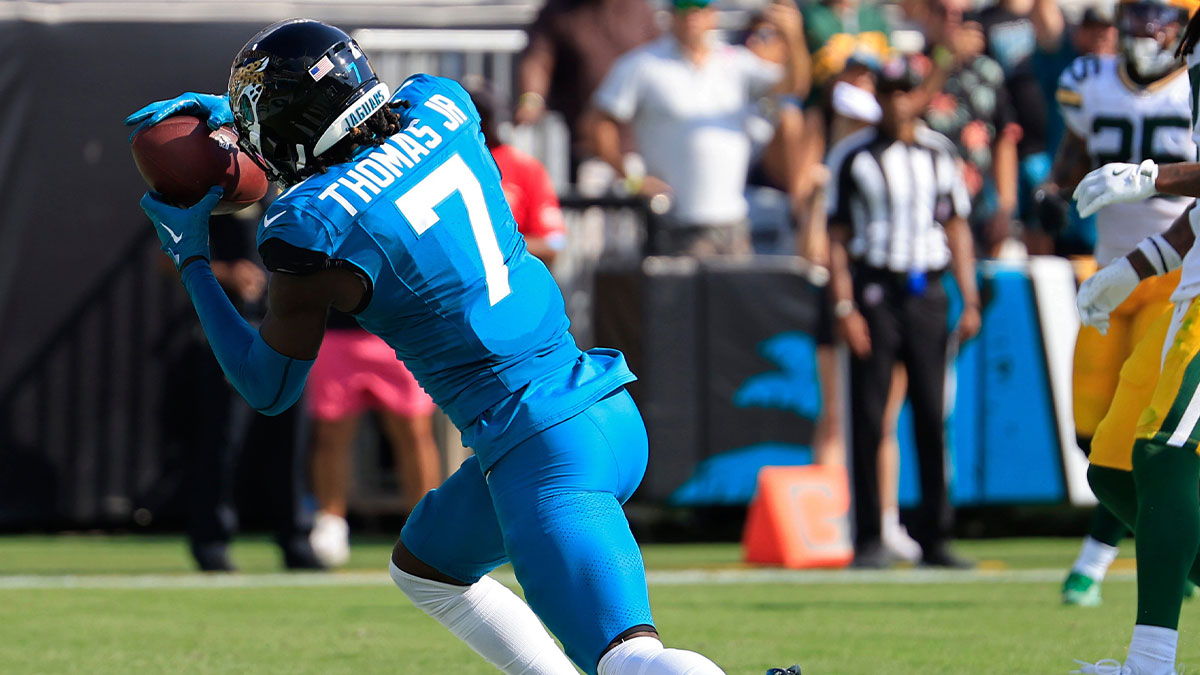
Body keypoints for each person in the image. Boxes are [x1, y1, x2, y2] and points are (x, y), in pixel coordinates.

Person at [125, 18, 743, 675]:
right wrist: (250, 110)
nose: (248, 133)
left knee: (631, 660)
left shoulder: (309, 225)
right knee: (426, 566)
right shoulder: (441, 102)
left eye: (257, 118)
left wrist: (191, 258)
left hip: (541, 450)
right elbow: (357, 134)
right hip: (600, 408)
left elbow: (267, 387)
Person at [1040, 0, 1197, 608]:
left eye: (1160, 13)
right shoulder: (1088, 81)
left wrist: (1151, 178)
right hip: (1117, 266)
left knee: (1146, 435)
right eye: (1136, 11)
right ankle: (1173, 543)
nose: (1145, 25)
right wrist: (1052, 192)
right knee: (1092, 435)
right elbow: (1073, 152)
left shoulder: (1188, 80)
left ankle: (1095, 563)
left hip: (1179, 274)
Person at [824, 55, 981, 569]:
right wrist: (845, 305)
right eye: (888, 93)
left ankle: (934, 536)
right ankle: (869, 536)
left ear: (920, 97)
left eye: (905, 92)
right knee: (869, 415)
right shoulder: (852, 157)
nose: (896, 102)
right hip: (874, 289)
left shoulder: (940, 154)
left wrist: (970, 296)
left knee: (931, 415)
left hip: (926, 289)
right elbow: (838, 238)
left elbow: (956, 228)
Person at [162, 208, 324, 572]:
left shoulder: (288, 183)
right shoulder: (209, 187)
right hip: (234, 331)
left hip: (287, 329)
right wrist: (225, 273)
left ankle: (295, 538)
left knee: (292, 439)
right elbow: (166, 255)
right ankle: (211, 540)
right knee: (224, 440)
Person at [590, 0, 808, 257]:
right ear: (671, 16)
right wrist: (631, 179)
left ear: (712, 15)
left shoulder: (735, 63)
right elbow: (599, 122)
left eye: (699, 9)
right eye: (684, 9)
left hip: (732, 222)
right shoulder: (642, 65)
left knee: (734, 296)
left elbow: (792, 86)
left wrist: (793, 37)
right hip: (673, 221)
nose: (691, 17)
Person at [306, 310, 442, 568]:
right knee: (330, 435)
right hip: (336, 329)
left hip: (399, 331)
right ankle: (330, 523)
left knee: (415, 434)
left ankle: (426, 529)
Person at [514, 0, 661, 175]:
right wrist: (531, 101)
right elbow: (538, 60)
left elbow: (660, 62)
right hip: (587, 150)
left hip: (637, 149)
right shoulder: (559, 10)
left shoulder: (638, 9)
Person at [467, 81, 568, 267]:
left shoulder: (524, 168)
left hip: (510, 284)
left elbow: (555, 243)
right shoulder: (437, 164)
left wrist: (489, 246)